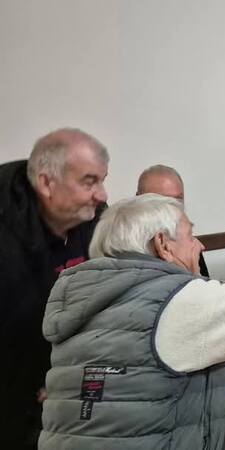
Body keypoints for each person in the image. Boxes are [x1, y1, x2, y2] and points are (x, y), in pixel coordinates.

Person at [38, 194, 225, 449]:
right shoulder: (176, 298)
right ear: (162, 244)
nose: (200, 245)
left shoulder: (80, 296)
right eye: (190, 235)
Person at [0, 128, 109, 450]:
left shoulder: (96, 221)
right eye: (89, 182)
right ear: (46, 183)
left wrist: (65, 375)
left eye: (103, 180)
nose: (102, 194)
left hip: (61, 386)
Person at [137, 164, 210, 277]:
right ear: (138, 199)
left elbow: (203, 283)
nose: (172, 209)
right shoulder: (127, 248)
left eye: (177, 201)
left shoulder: (188, 245)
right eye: (162, 201)